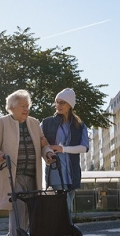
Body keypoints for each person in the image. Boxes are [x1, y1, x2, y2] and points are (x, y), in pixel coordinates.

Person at [0, 89, 54, 236]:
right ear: (12, 107)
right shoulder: (1, 123)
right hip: (12, 176)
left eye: (27, 106)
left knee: (30, 216)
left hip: (32, 175)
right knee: (18, 214)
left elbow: (43, 144)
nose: (26, 109)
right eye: (22, 106)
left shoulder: (34, 123)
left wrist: (49, 153)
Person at [41, 88, 89, 216]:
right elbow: (39, 143)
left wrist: (63, 149)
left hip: (72, 172)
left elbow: (84, 147)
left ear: (70, 105)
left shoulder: (80, 125)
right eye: (57, 102)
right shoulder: (46, 123)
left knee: (67, 205)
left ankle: (66, 231)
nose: (58, 105)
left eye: (62, 102)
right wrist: (47, 153)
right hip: (55, 170)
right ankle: (62, 232)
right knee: (62, 203)